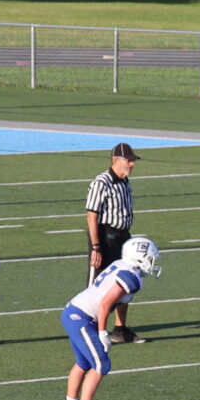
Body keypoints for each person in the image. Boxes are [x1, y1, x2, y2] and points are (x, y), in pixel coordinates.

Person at [59, 236, 161, 400]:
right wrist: (102, 333)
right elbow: (105, 305)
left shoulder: (120, 265)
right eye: (149, 258)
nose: (152, 262)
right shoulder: (130, 277)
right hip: (82, 318)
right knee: (101, 364)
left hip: (73, 312)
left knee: (83, 362)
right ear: (139, 257)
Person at [83, 144, 143, 344]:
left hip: (124, 237)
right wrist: (96, 247)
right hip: (105, 237)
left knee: (126, 280)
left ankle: (120, 329)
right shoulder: (102, 182)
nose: (132, 164)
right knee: (96, 285)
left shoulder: (125, 182)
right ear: (116, 160)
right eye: (129, 160)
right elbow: (92, 216)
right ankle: (91, 329)